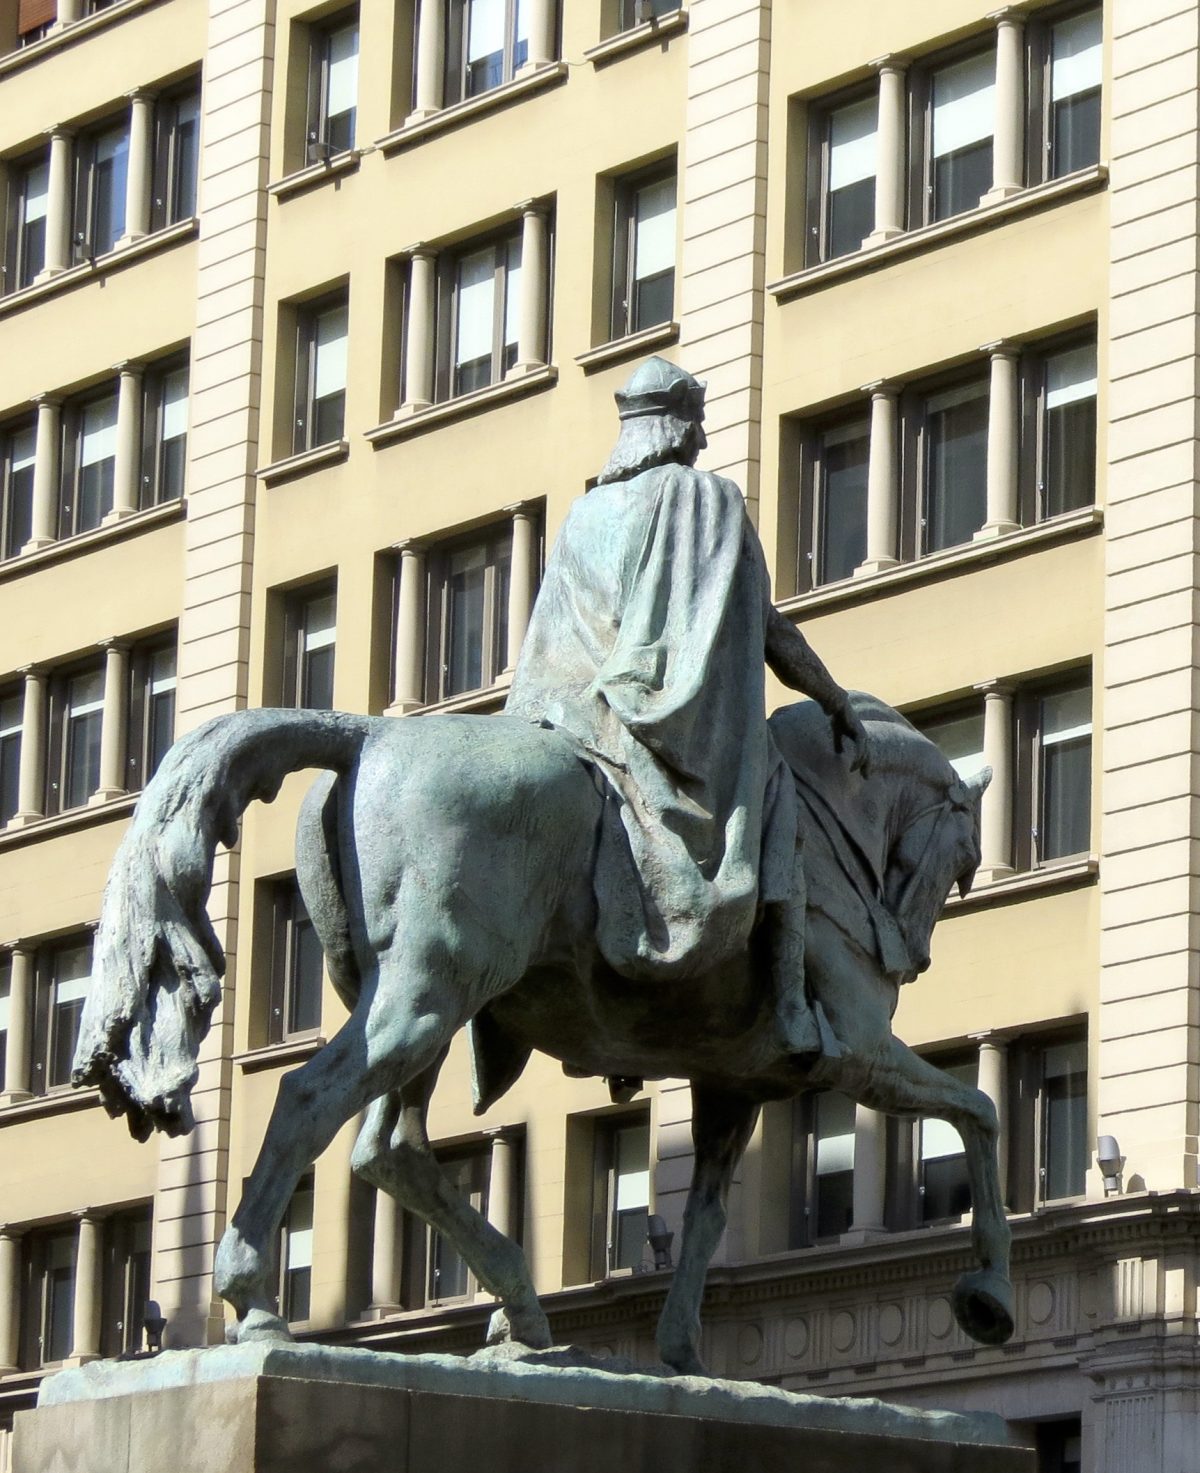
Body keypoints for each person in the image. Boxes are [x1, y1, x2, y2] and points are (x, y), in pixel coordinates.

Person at [506, 357, 868, 1055]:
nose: (701, 438)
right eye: (697, 422)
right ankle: (791, 1005)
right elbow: (767, 630)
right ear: (675, 425)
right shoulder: (709, 503)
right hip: (661, 722)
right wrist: (833, 698)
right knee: (777, 795)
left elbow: (549, 649)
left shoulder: (583, 513)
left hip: (574, 721)